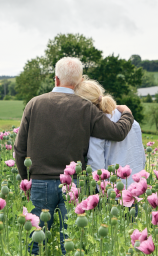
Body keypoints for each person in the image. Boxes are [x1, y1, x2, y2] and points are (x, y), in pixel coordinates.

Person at [14, 57, 135, 255]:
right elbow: (117, 132)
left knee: (35, 243)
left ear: (56, 79)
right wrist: (127, 113)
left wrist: (26, 181)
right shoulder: (85, 108)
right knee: (70, 244)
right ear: (79, 82)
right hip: (73, 185)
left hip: (40, 182)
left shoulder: (34, 104)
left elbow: (20, 149)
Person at [74, 78, 146, 189]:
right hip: (135, 188)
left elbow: (96, 167)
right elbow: (141, 157)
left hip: (111, 193)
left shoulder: (98, 126)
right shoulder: (132, 122)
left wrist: (99, 193)